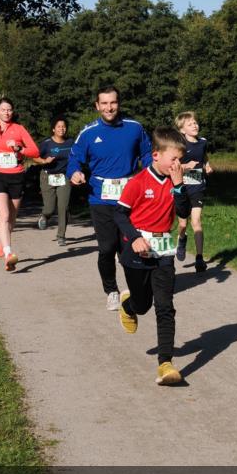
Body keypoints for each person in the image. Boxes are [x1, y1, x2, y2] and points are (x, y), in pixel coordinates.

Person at [114, 127, 191, 385]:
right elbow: (120, 215)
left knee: (165, 306)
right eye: (174, 159)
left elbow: (184, 212)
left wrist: (179, 186)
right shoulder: (138, 182)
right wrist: (135, 237)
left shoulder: (175, 180)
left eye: (180, 159)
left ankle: (165, 364)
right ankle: (128, 305)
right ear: (156, 155)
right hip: (136, 251)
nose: (177, 164)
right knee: (143, 305)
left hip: (164, 250)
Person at [67, 86, 152, 310]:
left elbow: (147, 154)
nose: (109, 107)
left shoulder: (134, 128)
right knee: (107, 248)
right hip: (100, 198)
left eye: (112, 103)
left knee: (130, 246)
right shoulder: (88, 132)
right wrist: (74, 172)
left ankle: (134, 289)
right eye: (104, 103)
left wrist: (149, 177)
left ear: (119, 103)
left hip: (130, 197)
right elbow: (74, 158)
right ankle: (111, 290)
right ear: (97, 106)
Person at [0, 97, 39, 271]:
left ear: (12, 112)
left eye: (9, 109)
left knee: (12, 218)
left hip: (16, 176)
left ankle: (2, 243)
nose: (6, 112)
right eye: (3, 109)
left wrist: (19, 149)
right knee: (4, 215)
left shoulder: (19, 129)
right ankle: (8, 254)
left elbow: (35, 151)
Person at [174, 111, 213, 271]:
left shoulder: (203, 142)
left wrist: (207, 165)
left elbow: (204, 156)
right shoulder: (179, 145)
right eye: (190, 124)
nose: (194, 125)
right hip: (181, 187)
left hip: (197, 186)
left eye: (195, 123)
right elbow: (171, 166)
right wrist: (185, 166)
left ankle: (199, 258)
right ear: (182, 130)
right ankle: (181, 239)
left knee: (196, 221)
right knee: (183, 224)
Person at [33, 116, 74, 246]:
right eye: (59, 126)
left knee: (64, 207)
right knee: (50, 207)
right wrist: (45, 161)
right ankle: (45, 215)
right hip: (47, 177)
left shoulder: (71, 142)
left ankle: (61, 236)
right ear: (53, 129)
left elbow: (77, 156)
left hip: (64, 177)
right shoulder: (46, 143)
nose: (61, 129)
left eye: (63, 126)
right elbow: (35, 157)